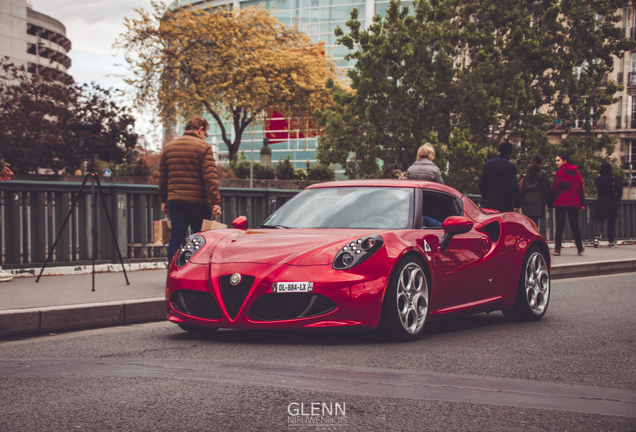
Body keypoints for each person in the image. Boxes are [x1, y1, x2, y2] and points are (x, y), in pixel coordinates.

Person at [158, 116, 222, 264]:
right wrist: (215, 202)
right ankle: (197, 272)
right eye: (205, 134)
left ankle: (173, 273)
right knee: (202, 238)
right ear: (200, 130)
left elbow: (162, 178)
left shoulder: (169, 148)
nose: (205, 137)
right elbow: (210, 178)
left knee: (177, 236)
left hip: (175, 202)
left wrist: (164, 200)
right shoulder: (204, 147)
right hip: (198, 202)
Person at [551, 152, 586, 256]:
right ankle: (579, 247)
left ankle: (557, 249)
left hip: (561, 202)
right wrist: (582, 203)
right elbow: (580, 188)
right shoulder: (577, 173)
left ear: (564, 161)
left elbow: (555, 189)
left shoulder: (560, 173)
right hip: (574, 202)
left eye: (558, 160)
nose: (556, 163)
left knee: (560, 226)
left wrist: (551, 202)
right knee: (575, 225)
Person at [478, 141, 521, 212]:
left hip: (491, 202)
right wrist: (517, 204)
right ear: (510, 153)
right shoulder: (511, 166)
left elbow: (481, 183)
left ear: (499, 151)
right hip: (506, 204)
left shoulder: (489, 164)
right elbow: (514, 186)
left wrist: (486, 197)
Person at [593, 162, 622, 248]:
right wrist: (616, 200)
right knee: (611, 222)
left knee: (599, 220)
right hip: (611, 202)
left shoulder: (598, 179)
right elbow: (619, 191)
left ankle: (596, 238)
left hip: (600, 201)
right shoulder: (613, 179)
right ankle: (611, 241)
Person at [519, 154, 552, 226]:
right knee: (534, 223)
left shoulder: (525, 172)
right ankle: (534, 237)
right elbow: (547, 190)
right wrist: (549, 204)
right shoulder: (543, 173)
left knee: (527, 222)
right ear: (541, 162)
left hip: (526, 200)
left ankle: (528, 236)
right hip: (538, 201)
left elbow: (519, 185)